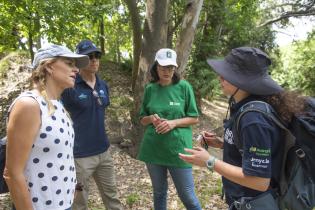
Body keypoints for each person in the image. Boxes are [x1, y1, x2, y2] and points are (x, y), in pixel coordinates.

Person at [179, 47, 307, 210]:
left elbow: (259, 181)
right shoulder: (246, 107)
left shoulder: (253, 119)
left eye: (227, 75)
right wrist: (224, 143)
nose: (220, 78)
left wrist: (209, 161)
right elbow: (260, 147)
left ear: (242, 81)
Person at [3, 44, 89, 210]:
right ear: (49, 66)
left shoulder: (58, 105)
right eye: (69, 64)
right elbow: (12, 173)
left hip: (64, 204)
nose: (76, 70)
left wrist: (69, 188)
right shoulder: (29, 105)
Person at [61, 40, 122, 210]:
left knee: (112, 197)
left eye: (97, 56)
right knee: (79, 202)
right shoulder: (69, 86)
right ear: (80, 61)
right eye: (89, 56)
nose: (94, 60)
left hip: (104, 152)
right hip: (80, 155)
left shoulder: (103, 85)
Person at [138, 48, 202, 210]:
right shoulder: (150, 89)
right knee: (159, 192)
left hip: (178, 149)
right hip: (153, 150)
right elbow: (142, 119)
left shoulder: (184, 87)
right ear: (156, 67)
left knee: (187, 195)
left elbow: (194, 117)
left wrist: (173, 123)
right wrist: (151, 118)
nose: (167, 71)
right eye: (163, 67)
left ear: (175, 68)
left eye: (170, 68)